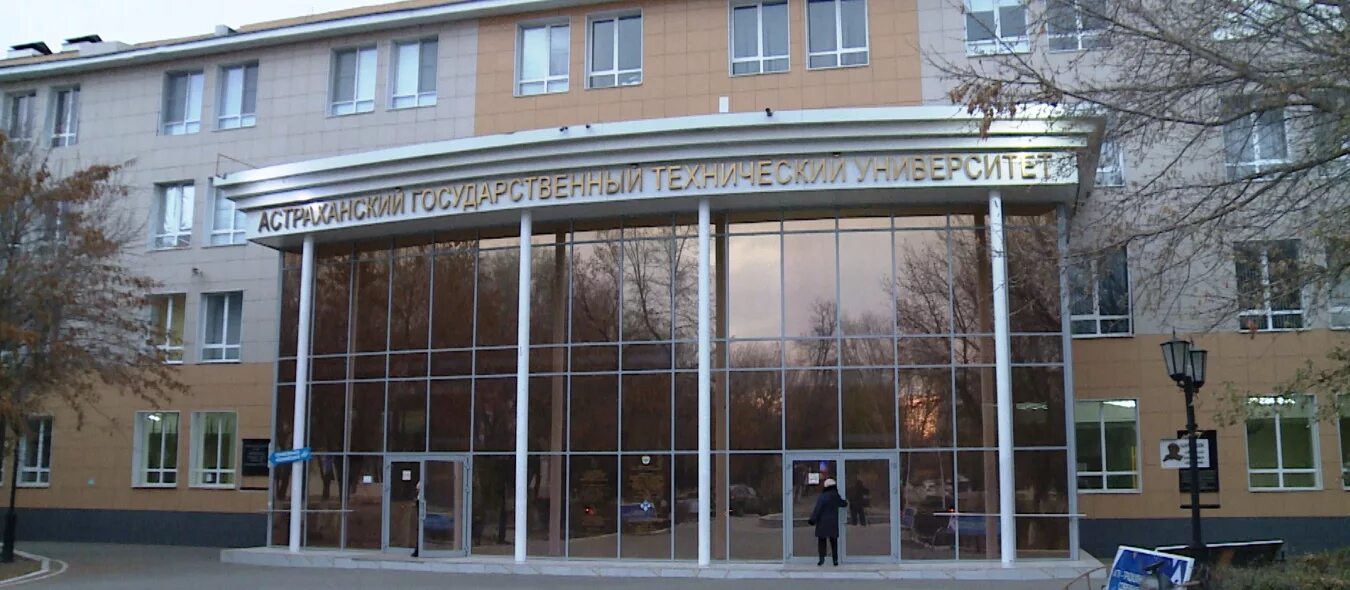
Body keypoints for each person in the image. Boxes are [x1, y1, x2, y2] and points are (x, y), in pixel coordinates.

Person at [807, 478, 849, 566]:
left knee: (822, 541)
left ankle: (821, 559)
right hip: (833, 522)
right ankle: (835, 560)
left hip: (822, 522)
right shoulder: (836, 496)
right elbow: (843, 504)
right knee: (833, 541)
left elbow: (817, 509)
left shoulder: (822, 496)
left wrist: (812, 520)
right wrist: (846, 502)